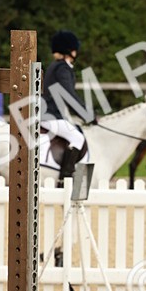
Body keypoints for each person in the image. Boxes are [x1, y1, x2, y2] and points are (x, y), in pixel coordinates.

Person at [42, 31, 89, 182]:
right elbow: (69, 95)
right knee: (77, 137)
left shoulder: (55, 66)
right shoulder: (62, 68)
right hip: (51, 115)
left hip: (49, 113)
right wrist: (88, 115)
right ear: (69, 50)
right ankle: (64, 178)